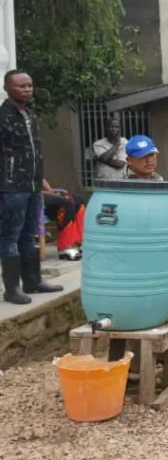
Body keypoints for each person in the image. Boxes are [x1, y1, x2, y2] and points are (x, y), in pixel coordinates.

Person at [0, 70, 62, 304]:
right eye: (21, 86)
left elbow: (33, 153)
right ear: (7, 88)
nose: (27, 89)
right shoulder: (3, 117)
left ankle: (33, 281)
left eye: (29, 85)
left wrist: (41, 179)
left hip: (33, 185)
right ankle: (12, 288)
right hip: (11, 187)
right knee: (9, 237)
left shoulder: (31, 116)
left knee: (30, 234)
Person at [41, 179, 86, 261]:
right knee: (67, 204)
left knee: (79, 200)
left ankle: (78, 241)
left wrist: (50, 191)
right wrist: (45, 193)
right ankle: (65, 246)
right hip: (28, 196)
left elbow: (40, 178)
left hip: (41, 195)